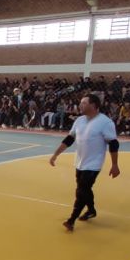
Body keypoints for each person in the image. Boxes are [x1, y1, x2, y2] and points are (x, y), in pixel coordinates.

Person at [49, 94, 120, 232]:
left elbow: (113, 143)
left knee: (81, 191)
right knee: (85, 190)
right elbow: (69, 139)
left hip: (94, 164)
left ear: (93, 105)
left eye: (83, 103)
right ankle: (91, 210)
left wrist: (115, 164)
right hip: (80, 162)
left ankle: (71, 220)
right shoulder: (80, 120)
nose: (80, 105)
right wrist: (55, 154)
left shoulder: (105, 122)